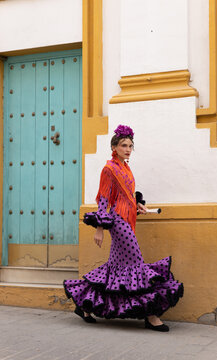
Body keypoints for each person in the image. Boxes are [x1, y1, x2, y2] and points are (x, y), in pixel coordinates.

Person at [63, 124, 183, 332]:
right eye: (123, 145)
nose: (128, 149)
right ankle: (151, 315)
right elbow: (103, 200)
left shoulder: (126, 167)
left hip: (128, 219)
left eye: (130, 145)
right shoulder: (109, 169)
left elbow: (125, 195)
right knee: (137, 263)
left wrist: (138, 204)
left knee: (115, 269)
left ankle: (84, 305)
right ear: (114, 147)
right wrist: (99, 228)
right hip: (118, 222)